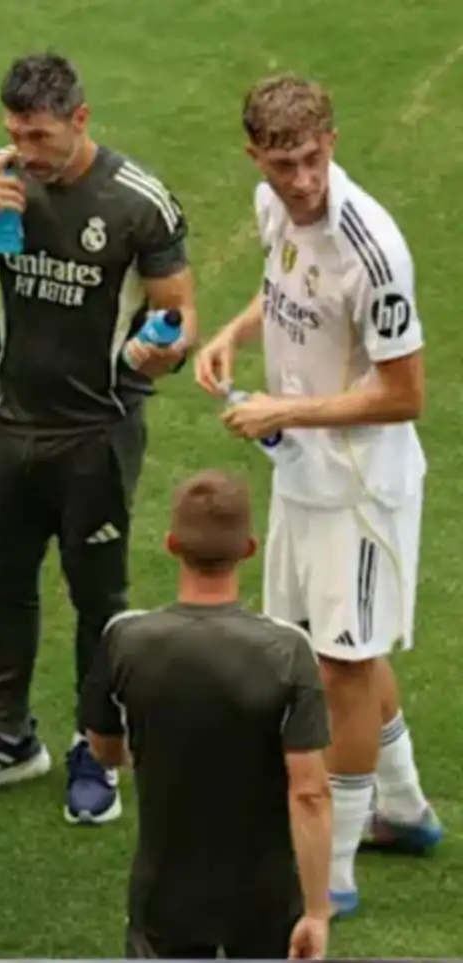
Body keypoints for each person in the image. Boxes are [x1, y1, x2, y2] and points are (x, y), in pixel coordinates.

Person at [0, 52, 199, 825]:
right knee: (5, 585)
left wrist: (163, 347)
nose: (27, 151)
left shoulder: (138, 201)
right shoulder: (3, 181)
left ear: (80, 119)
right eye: (16, 133)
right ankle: (11, 738)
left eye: (39, 136)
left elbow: (178, 316)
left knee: (97, 596)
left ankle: (97, 744)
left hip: (95, 433)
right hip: (9, 425)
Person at [195, 75, 441, 917]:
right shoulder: (275, 209)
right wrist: (235, 332)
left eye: (311, 158)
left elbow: (406, 394)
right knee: (338, 647)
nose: (301, 180)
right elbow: (286, 287)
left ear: (331, 140)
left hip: (360, 489)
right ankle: (403, 806)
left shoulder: (375, 250)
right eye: (282, 164)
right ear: (254, 157)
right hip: (305, 473)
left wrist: (284, 410)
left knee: (340, 664)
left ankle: (334, 869)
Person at [81, 469, 332, 960]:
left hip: (164, 892)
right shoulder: (288, 650)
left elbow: (104, 748)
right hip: (264, 897)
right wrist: (318, 911)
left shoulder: (126, 639)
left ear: (172, 544)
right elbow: (309, 792)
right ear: (249, 549)